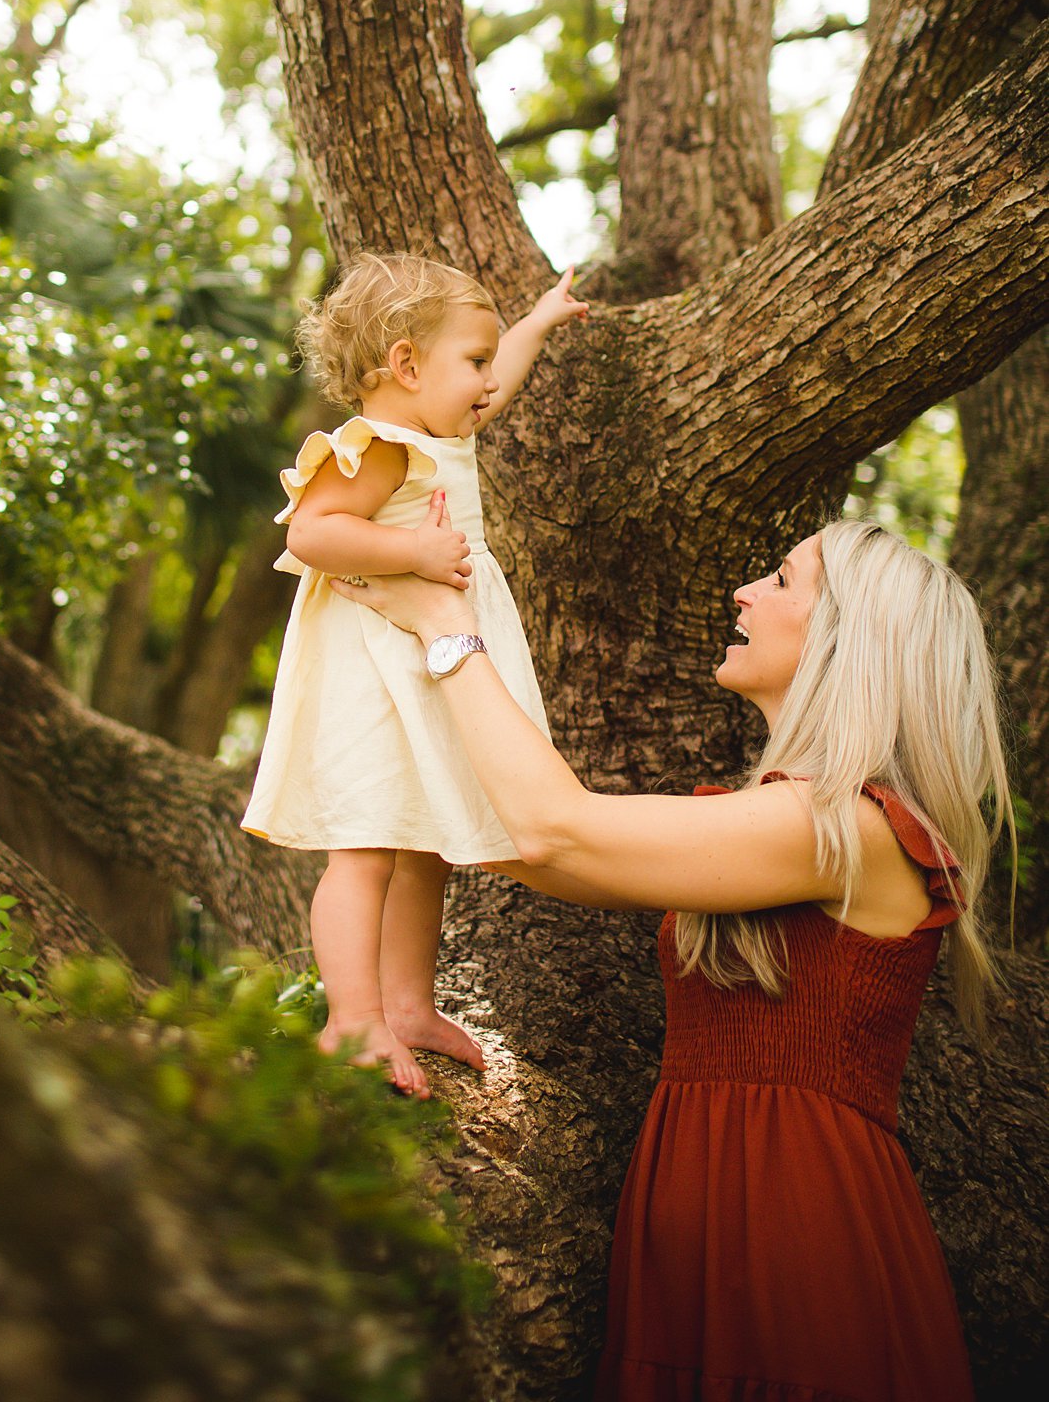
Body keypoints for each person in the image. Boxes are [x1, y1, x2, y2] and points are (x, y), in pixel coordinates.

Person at [332, 509, 1011, 1401]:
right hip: (702, 1211)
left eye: (779, 580)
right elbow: (517, 842)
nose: (744, 591)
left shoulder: (850, 827)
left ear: (850, 642)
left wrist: (444, 629)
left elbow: (550, 833)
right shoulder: (789, 822)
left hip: (795, 1235)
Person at [242, 252, 589, 1094]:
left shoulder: (435, 428)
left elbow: (495, 386)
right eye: (472, 361)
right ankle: (351, 1018)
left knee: (423, 845)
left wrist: (538, 322)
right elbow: (311, 535)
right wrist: (409, 549)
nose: (486, 383)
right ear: (404, 366)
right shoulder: (379, 450)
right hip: (369, 670)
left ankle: (407, 1007)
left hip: (421, 667)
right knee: (363, 849)